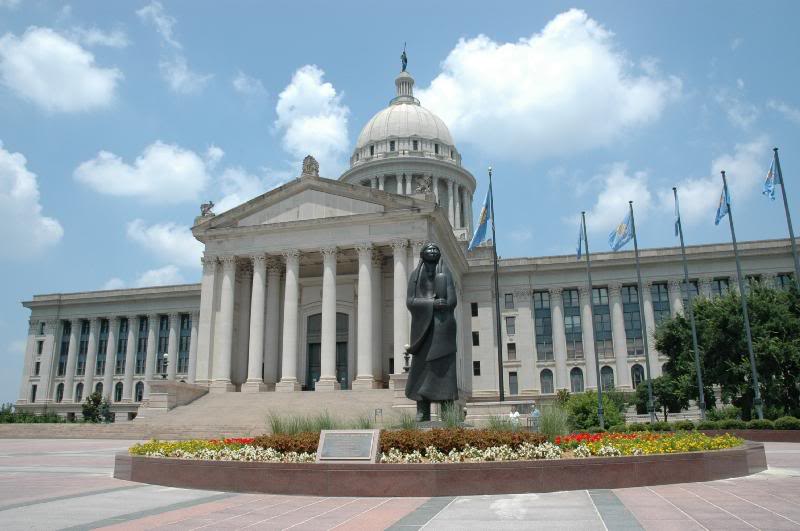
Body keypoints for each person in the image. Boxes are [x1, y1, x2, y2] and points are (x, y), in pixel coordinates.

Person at [405, 242, 458, 421]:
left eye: (436, 249)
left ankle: (448, 411)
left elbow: (452, 300)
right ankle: (423, 410)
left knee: (445, 368)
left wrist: (444, 304)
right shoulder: (414, 276)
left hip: (443, 327)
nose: (433, 251)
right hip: (423, 330)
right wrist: (432, 304)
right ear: (422, 254)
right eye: (429, 249)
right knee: (421, 368)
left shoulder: (446, 274)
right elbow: (410, 302)